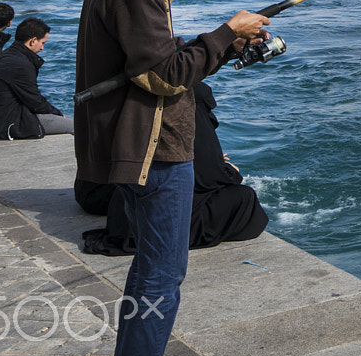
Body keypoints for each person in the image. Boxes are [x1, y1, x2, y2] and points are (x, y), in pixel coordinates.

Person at [73, 0, 267, 356]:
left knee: (151, 267)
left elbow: (155, 57)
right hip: (154, 146)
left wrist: (224, 45)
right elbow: (162, 75)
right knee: (162, 270)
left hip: (143, 140)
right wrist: (228, 33)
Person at [78, 80, 268, 253]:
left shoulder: (150, 118)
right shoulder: (190, 124)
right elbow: (208, 179)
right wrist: (229, 172)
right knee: (245, 197)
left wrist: (211, 162)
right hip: (160, 217)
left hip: (125, 212)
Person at [0, 17, 72, 139]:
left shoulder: (4, 56)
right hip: (3, 125)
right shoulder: (21, 65)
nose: (42, 48)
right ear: (33, 41)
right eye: (42, 43)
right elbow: (35, 101)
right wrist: (58, 114)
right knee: (75, 125)